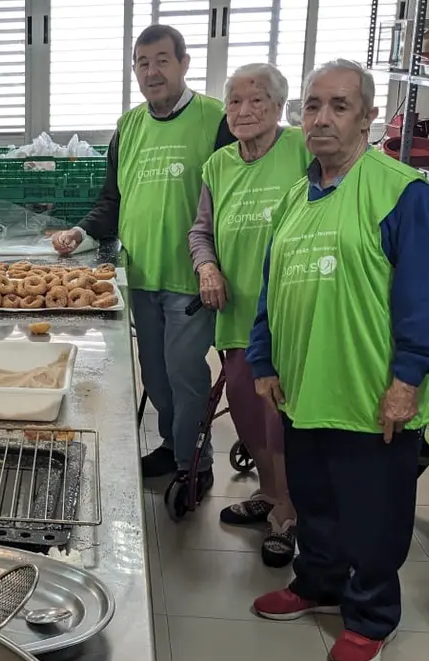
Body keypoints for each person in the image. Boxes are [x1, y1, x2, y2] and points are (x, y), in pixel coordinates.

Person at [247, 59, 429, 661]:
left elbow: (428, 296)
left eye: (339, 106)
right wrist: (263, 358)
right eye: (312, 106)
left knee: (373, 516)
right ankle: (317, 585)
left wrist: (408, 378)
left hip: (372, 397)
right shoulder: (294, 198)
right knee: (315, 502)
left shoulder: (402, 193)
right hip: (305, 388)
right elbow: (271, 291)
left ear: (367, 117)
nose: (322, 118)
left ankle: (371, 616)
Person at [51, 25, 235, 488]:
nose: (152, 71)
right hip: (141, 276)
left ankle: (197, 461)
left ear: (184, 64)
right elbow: (111, 200)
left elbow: (232, 199)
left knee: (185, 374)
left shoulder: (216, 121)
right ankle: (174, 447)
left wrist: (214, 263)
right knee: (154, 375)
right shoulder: (128, 127)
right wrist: (80, 230)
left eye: (162, 60)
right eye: (142, 62)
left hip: (191, 279)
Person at [188, 63, 311, 568]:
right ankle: (268, 492)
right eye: (234, 101)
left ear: (279, 107)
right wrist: (208, 267)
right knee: (245, 408)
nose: (243, 111)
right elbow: (201, 232)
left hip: (291, 313)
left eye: (256, 100)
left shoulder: (302, 149)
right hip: (237, 315)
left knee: (281, 416)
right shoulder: (218, 164)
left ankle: (290, 510)